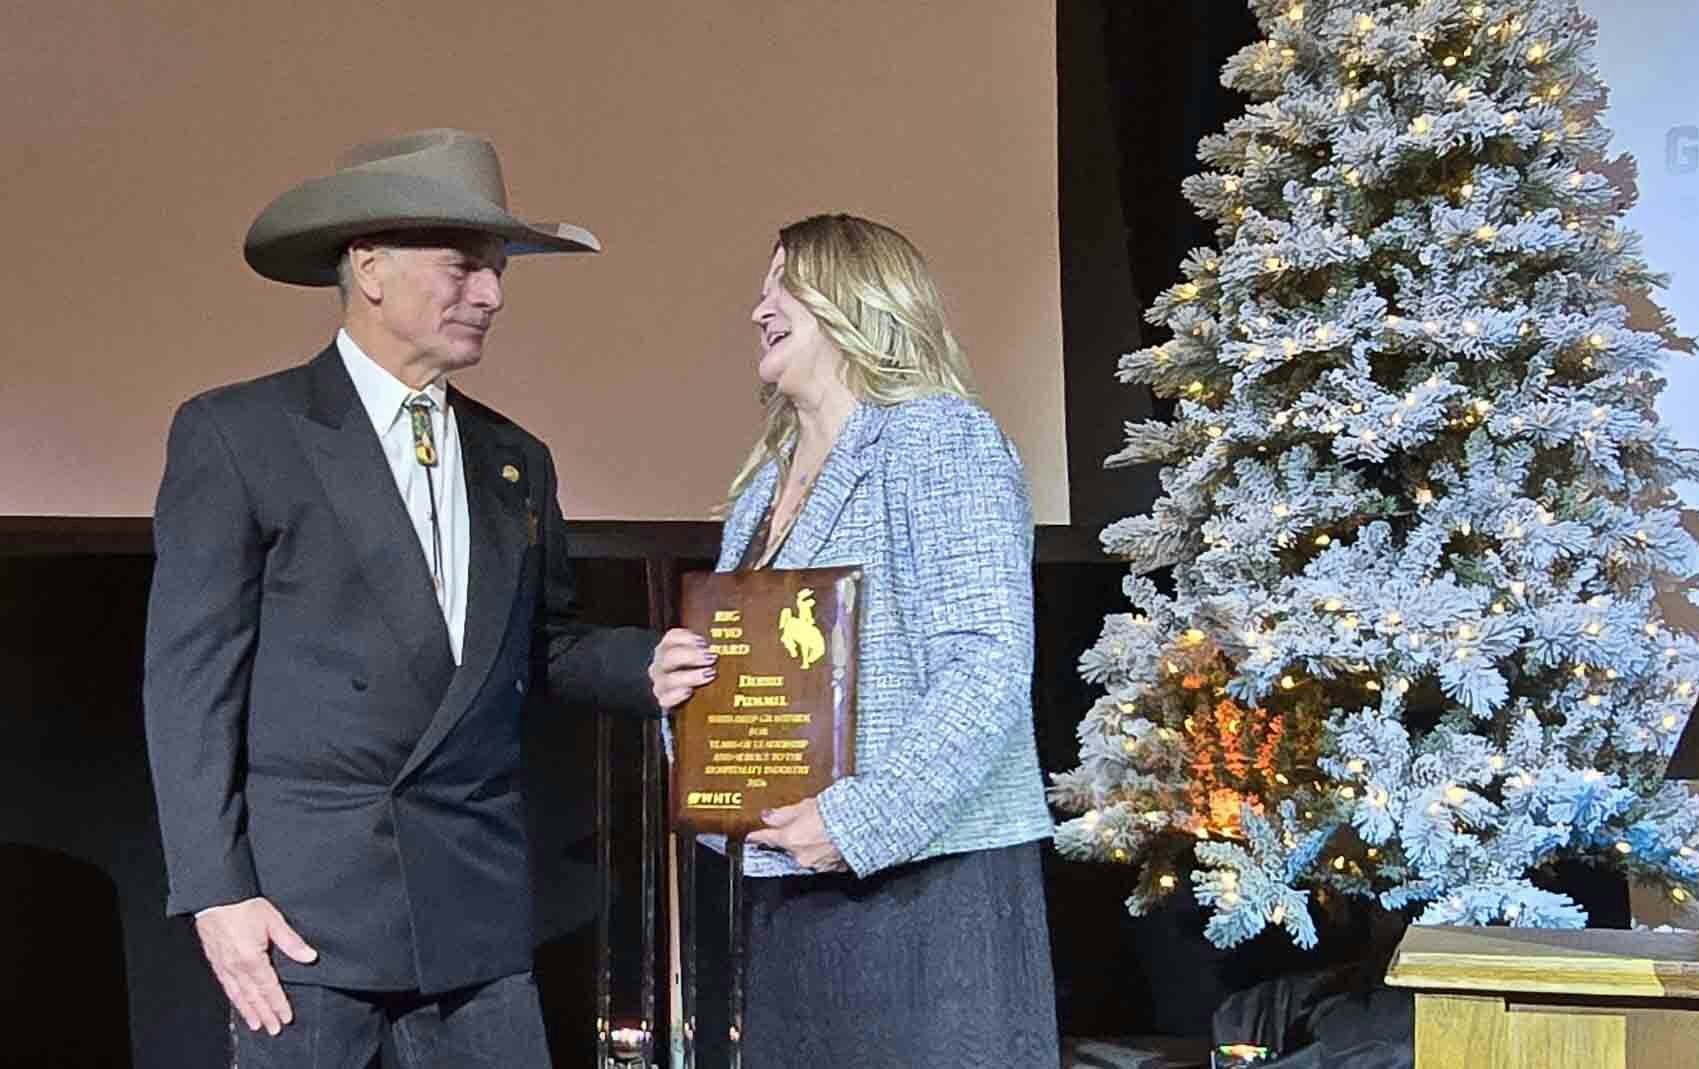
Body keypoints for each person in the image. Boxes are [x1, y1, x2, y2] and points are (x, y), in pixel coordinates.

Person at [143, 128, 688, 1067]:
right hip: (303, 923)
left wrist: (648, 662)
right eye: (463, 266)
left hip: (471, 912)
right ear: (370, 267)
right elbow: (189, 683)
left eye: (498, 270)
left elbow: (537, 645)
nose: (491, 293)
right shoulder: (242, 433)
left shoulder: (515, 460)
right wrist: (215, 892)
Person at [649, 212, 1059, 1066]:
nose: (757, 307)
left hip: (929, 891)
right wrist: (683, 697)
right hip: (795, 890)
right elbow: (749, 693)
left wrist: (863, 819)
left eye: (780, 284)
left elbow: (986, 662)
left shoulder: (939, 440)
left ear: (853, 297)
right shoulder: (769, 481)